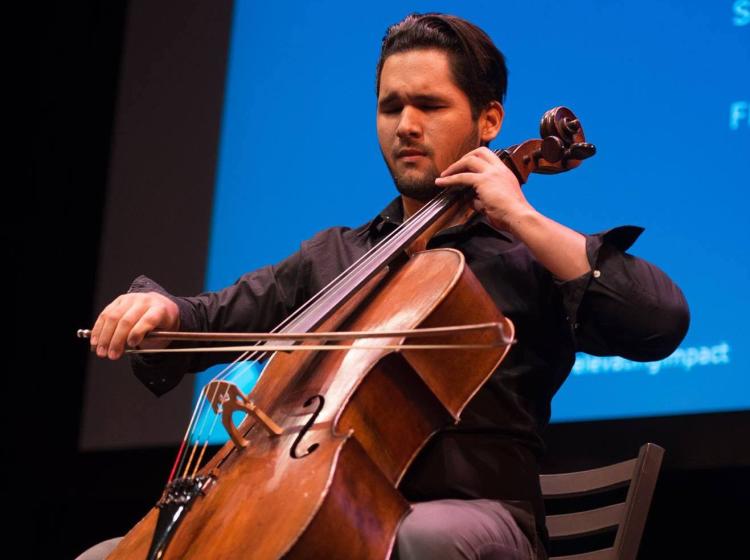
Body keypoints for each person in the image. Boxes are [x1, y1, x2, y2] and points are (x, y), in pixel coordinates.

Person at [79, 13, 689, 560]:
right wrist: (158, 310)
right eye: (391, 106)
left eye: (429, 105)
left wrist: (522, 218)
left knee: (419, 537)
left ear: (490, 121)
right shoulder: (335, 257)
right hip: (310, 494)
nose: (406, 125)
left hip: (475, 516)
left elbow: (659, 320)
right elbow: (210, 318)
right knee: (110, 556)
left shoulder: (527, 260)